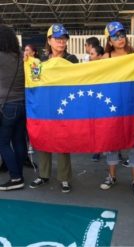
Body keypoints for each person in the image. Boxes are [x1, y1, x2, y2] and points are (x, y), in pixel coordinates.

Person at [29, 24, 78, 193]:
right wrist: (28, 63)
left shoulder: (72, 59)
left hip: (65, 107)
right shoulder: (40, 61)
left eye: (64, 38)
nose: (61, 42)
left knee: (63, 141)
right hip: (45, 107)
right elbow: (34, 79)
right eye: (57, 39)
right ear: (49, 40)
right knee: (44, 140)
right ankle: (43, 175)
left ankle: (64, 178)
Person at [99, 21, 134, 197]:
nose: (120, 38)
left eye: (122, 34)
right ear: (109, 40)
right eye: (115, 36)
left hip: (133, 105)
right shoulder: (106, 58)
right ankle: (111, 176)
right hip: (112, 106)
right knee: (112, 141)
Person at [0, 24, 27, 190]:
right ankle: (20, 175)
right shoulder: (21, 56)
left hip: (6, 105)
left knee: (2, 143)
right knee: (18, 141)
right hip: (22, 104)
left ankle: (15, 177)